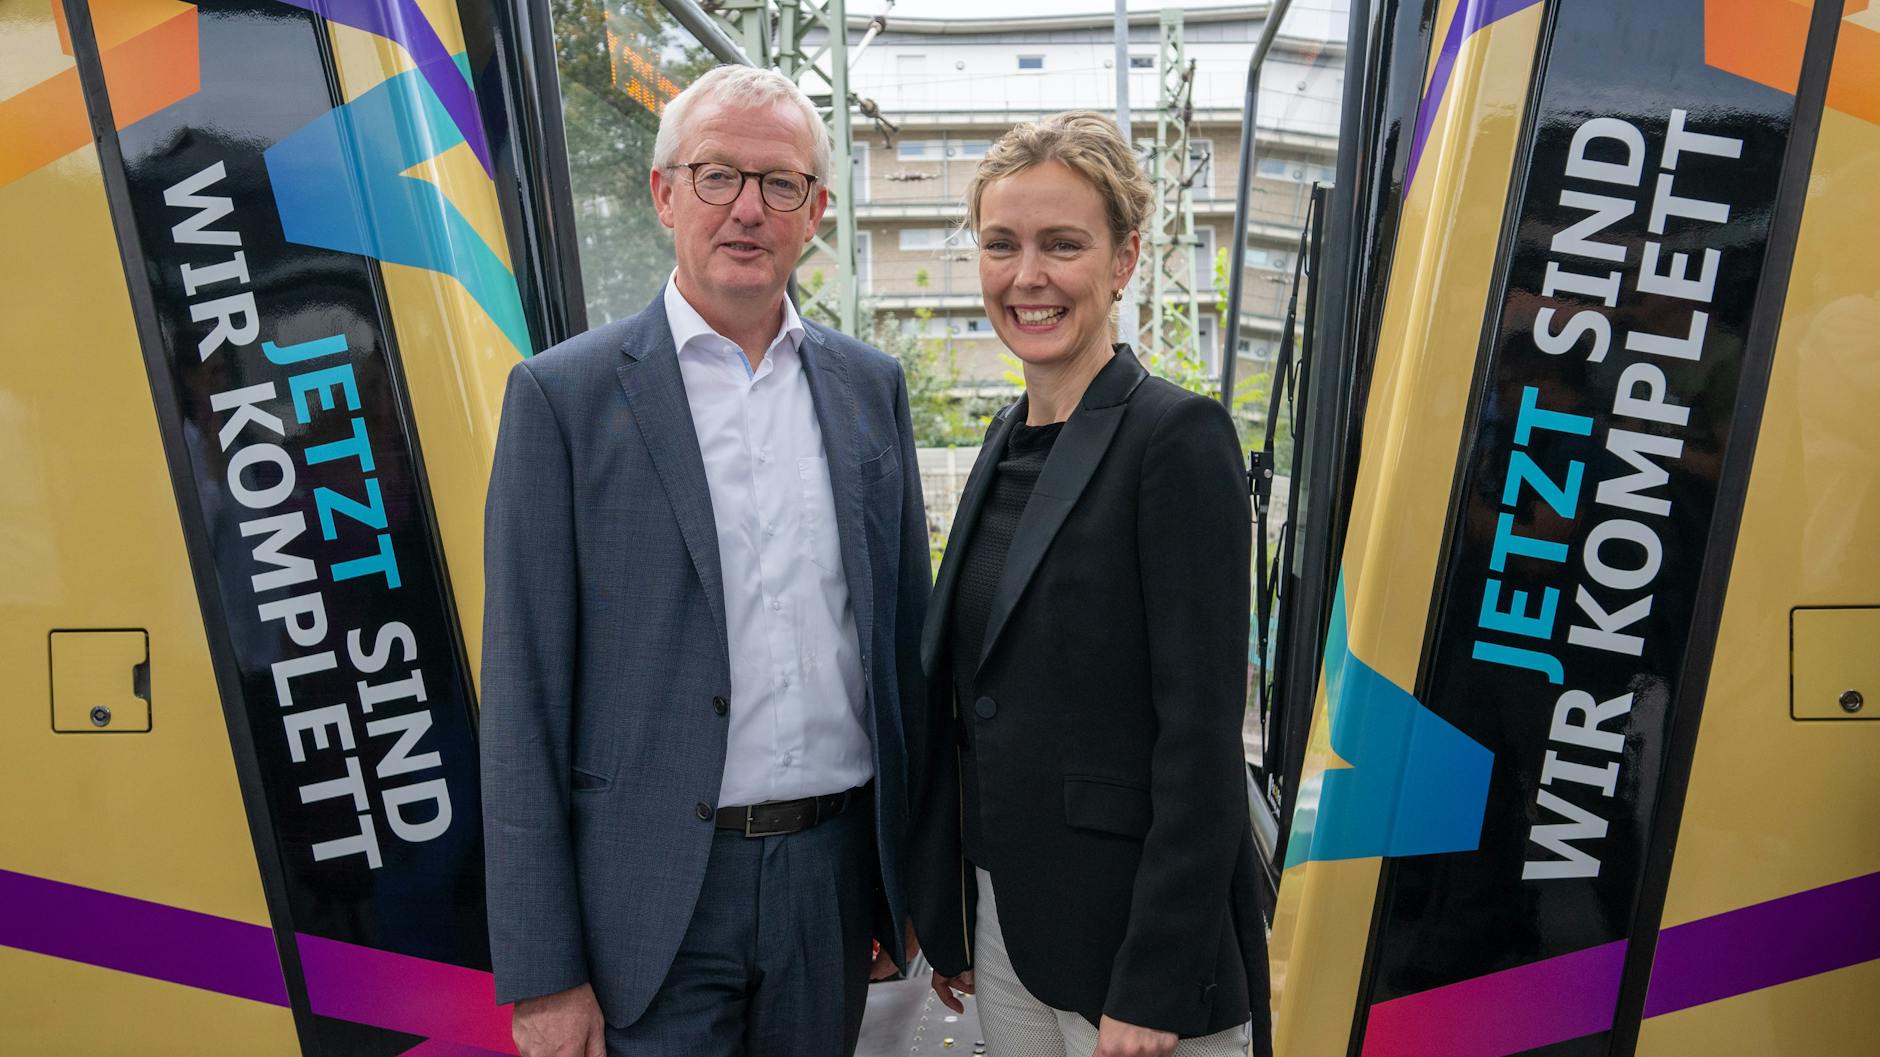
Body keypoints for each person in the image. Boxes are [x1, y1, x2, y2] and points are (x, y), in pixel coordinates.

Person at [480, 65, 929, 1057]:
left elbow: (902, 653)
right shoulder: (563, 399)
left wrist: (909, 880)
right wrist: (543, 968)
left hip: (830, 884)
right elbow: (521, 697)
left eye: (779, 185)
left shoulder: (869, 390)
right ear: (663, 192)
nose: (745, 210)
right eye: (717, 175)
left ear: (814, 211)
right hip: (647, 902)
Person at [908, 111, 1272, 1057]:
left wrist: (1152, 983)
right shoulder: (1000, 441)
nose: (1028, 277)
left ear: (1124, 261)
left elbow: (1201, 745)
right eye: (1002, 245)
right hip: (1008, 930)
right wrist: (952, 910)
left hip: (1133, 961)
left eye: (1062, 245)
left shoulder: (1176, 439)